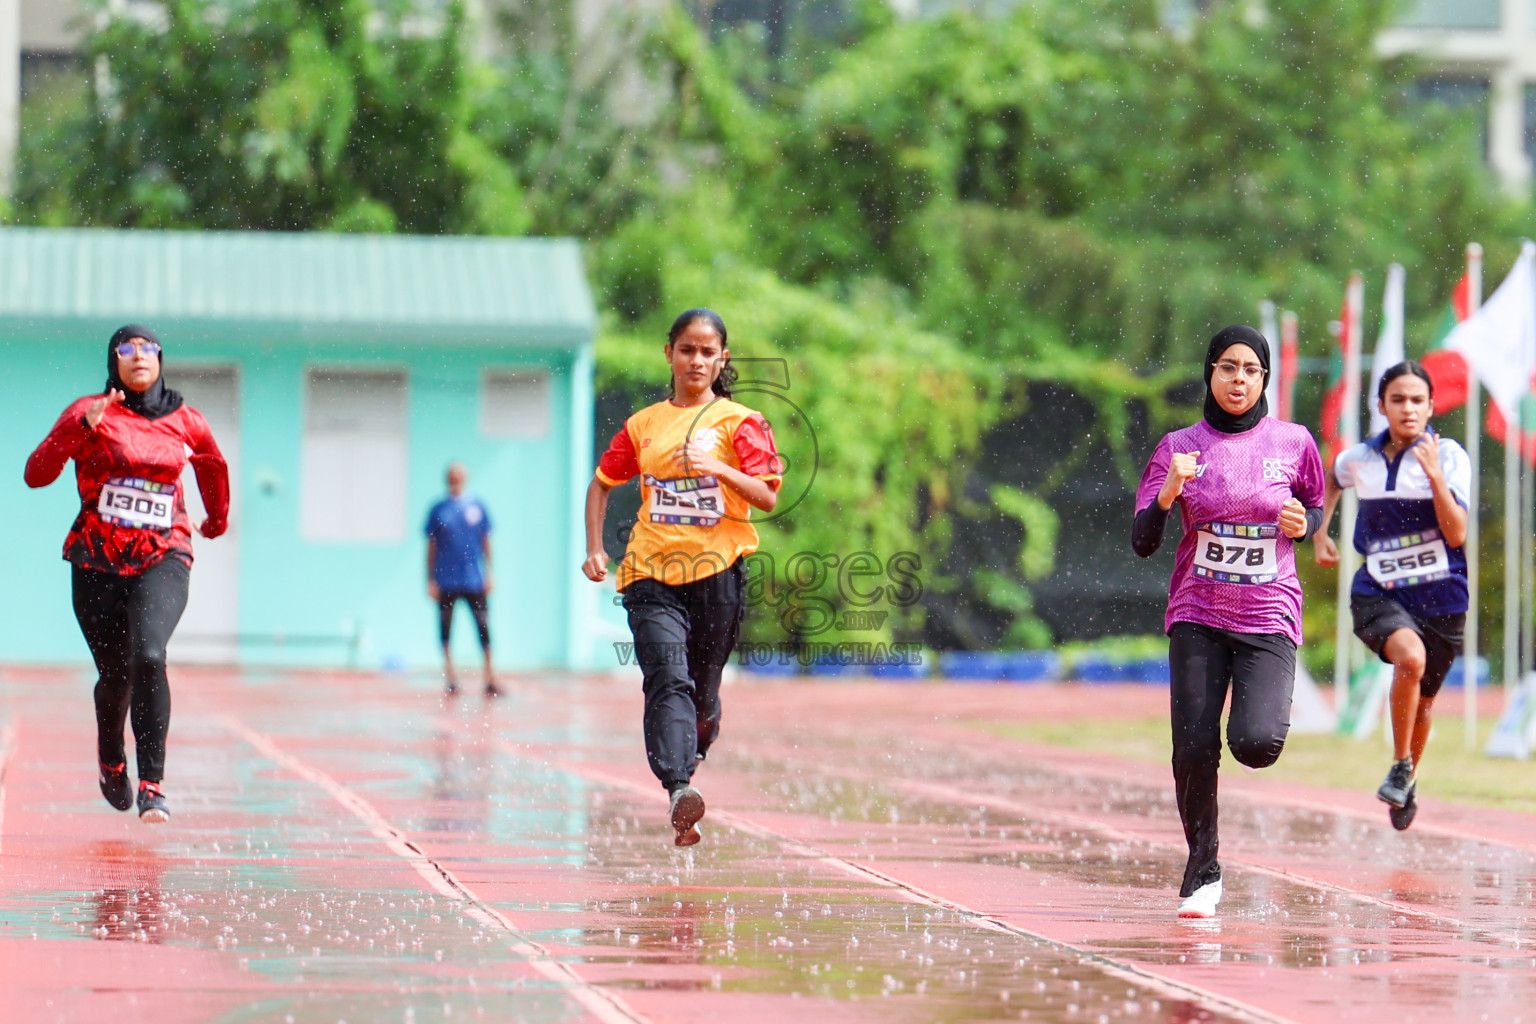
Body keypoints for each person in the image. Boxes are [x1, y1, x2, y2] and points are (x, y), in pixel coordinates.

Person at [1132, 324, 1325, 918]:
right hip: (1198, 612)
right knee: (1192, 744)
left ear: (1265, 379)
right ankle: (1203, 864)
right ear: (1209, 374)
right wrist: (1167, 494)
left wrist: (1305, 525)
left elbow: (1314, 507)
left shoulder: (1293, 442)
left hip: (1268, 615)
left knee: (1256, 744)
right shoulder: (1179, 446)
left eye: (1251, 370)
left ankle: (1261, 719)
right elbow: (1143, 542)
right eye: (1227, 368)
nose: (1238, 381)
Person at [582, 308, 783, 847]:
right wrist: (595, 548)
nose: (696, 360)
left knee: (703, 698)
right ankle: (676, 788)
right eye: (686, 349)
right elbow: (602, 484)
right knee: (667, 678)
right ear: (668, 353)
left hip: (717, 573)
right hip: (650, 573)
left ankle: (687, 764)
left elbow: (766, 495)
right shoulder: (644, 425)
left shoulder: (742, 423)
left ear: (722, 360)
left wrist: (717, 468)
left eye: (707, 351)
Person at [25, 325, 229, 823]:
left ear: (160, 358)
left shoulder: (187, 419)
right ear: (113, 360)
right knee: (115, 678)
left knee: (150, 656)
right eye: (126, 349)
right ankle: (110, 757)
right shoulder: (88, 411)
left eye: (147, 348)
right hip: (96, 560)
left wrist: (215, 519)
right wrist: (79, 430)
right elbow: (36, 473)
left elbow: (212, 466)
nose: (138, 356)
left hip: (164, 554)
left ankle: (153, 784)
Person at [1315, 361, 1469, 831]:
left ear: (1430, 406)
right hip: (1379, 589)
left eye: (1417, 400)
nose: (1408, 408)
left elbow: (1457, 534)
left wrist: (1435, 478)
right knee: (1411, 659)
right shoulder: (1360, 457)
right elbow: (1331, 478)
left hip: (1442, 598)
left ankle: (1406, 775)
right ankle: (1401, 765)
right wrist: (1321, 531)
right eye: (1397, 399)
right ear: (1381, 406)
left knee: (1423, 702)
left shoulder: (1450, 456)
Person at [425, 463, 499, 698]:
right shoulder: (439, 509)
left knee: (483, 625)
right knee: (446, 627)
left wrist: (489, 573)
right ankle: (451, 677)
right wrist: (430, 579)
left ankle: (490, 677)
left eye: (459, 476)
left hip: (473, 579)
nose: (455, 480)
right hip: (446, 579)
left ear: (466, 478)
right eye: (451, 477)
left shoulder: (477, 506)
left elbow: (486, 541)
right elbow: (431, 546)